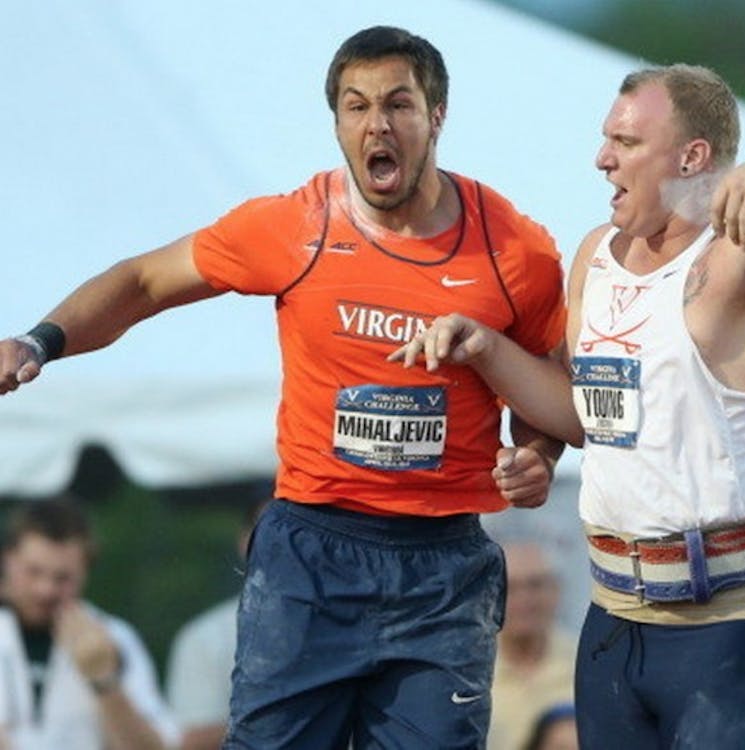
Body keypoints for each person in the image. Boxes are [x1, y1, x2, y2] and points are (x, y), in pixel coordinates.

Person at [0, 25, 568, 749]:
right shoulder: (293, 228)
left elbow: (552, 388)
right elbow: (143, 281)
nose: (378, 124)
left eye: (398, 104)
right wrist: (39, 340)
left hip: (442, 565)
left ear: (437, 115)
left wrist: (539, 453)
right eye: (357, 107)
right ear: (336, 122)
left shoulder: (514, 249)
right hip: (313, 551)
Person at [393, 63, 745, 748]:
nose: (601, 158)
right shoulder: (595, 255)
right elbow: (584, 415)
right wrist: (490, 356)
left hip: (735, 622)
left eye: (625, 142)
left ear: (691, 157)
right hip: (614, 618)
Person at [0, 497, 179, 750]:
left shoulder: (114, 637)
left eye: (62, 578)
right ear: (9, 560)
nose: (45, 590)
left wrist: (104, 680)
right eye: (33, 572)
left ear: (85, 571)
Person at [165, 497, 269, 750]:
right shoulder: (204, 637)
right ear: (244, 541)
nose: (284, 548)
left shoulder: (352, 628)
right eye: (268, 533)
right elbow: (189, 741)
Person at [489, 540, 576, 750]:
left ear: (556, 591)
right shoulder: (466, 674)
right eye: (511, 589)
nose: (525, 600)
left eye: (535, 585)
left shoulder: (588, 665)